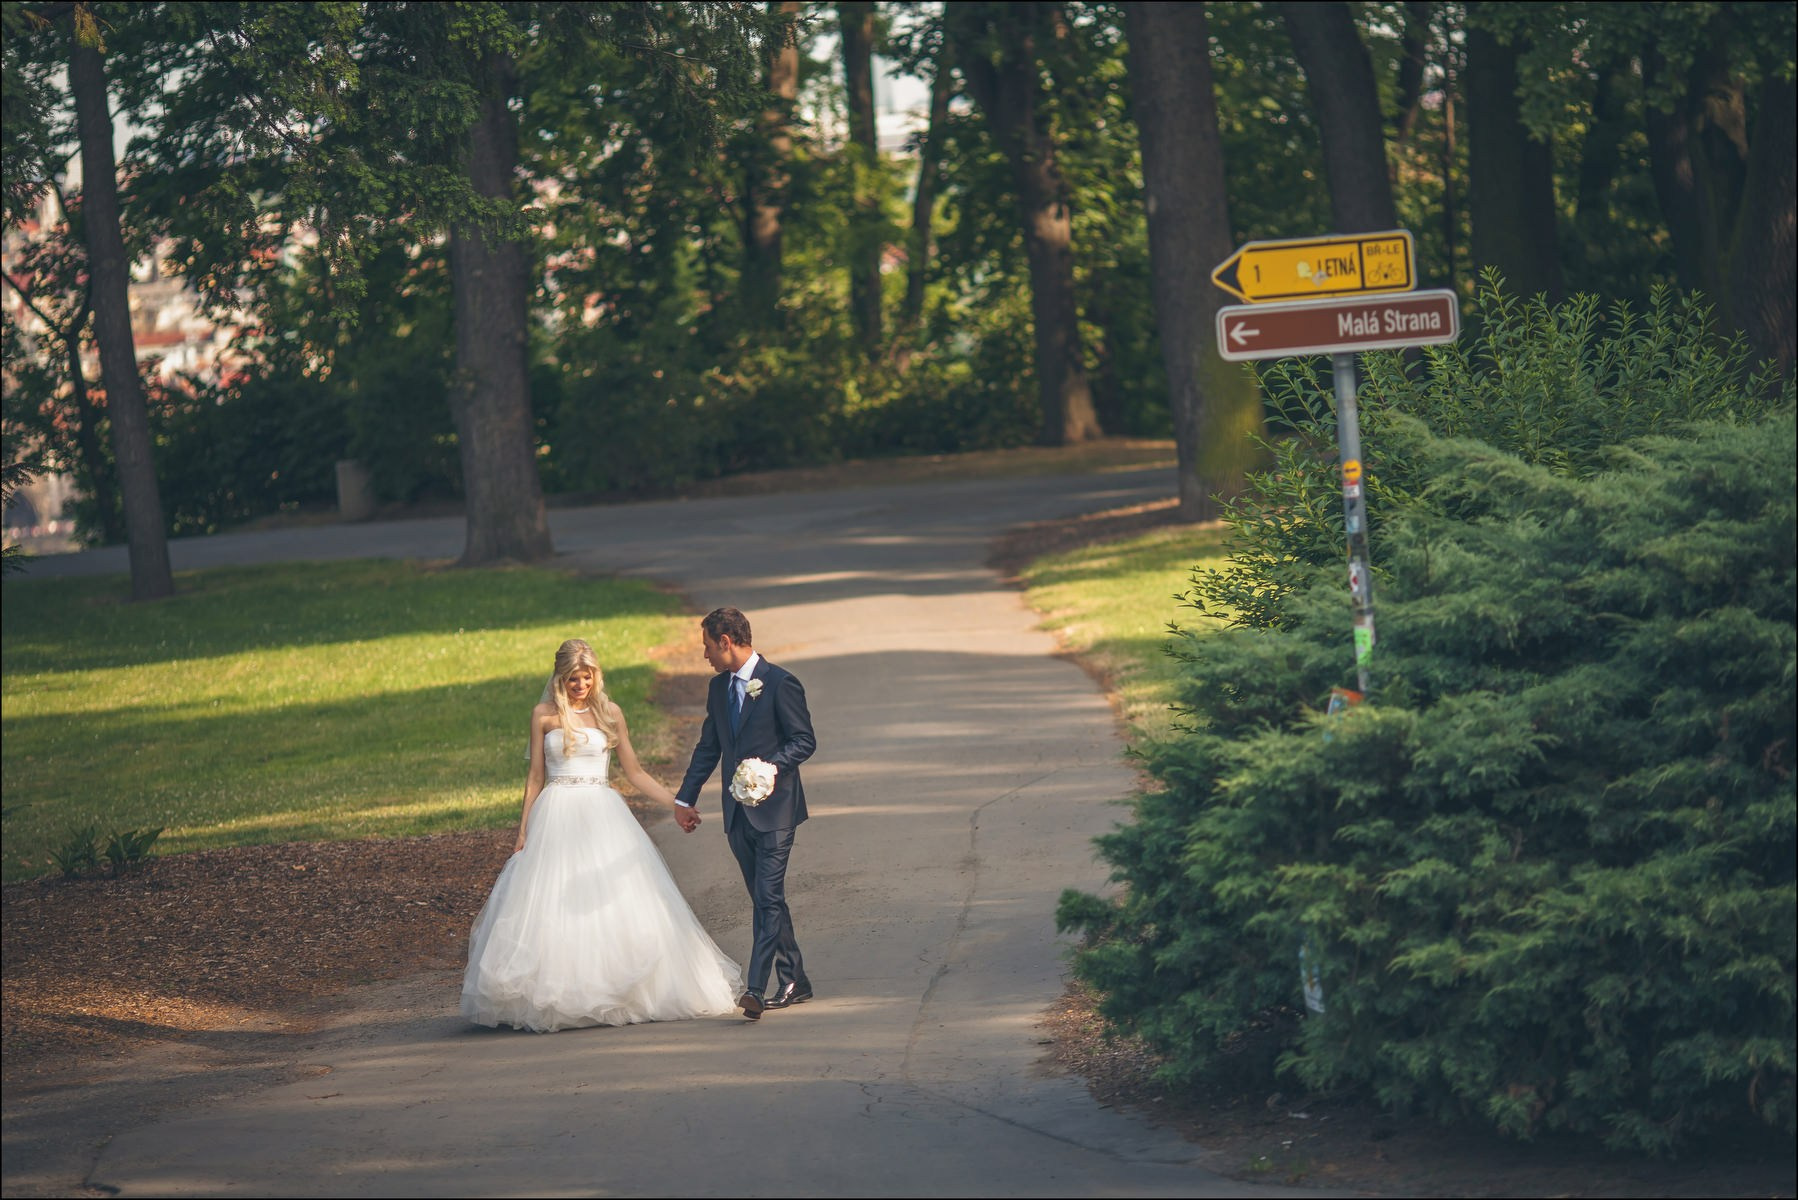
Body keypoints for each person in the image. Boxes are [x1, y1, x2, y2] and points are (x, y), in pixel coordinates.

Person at [461, 638, 742, 1032]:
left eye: (587, 677)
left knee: (611, 901)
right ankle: (559, 991)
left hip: (601, 810)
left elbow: (636, 772)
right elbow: (535, 777)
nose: (580, 685)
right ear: (561, 678)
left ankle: (624, 988)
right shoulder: (543, 716)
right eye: (573, 678)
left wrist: (676, 804)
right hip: (556, 812)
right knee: (552, 899)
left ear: (596, 676)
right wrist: (523, 828)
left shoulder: (610, 713)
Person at [674, 607, 816, 1021]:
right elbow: (708, 748)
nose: (705, 656)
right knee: (764, 898)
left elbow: (804, 740)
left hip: (776, 813)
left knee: (768, 897)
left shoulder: (780, 683)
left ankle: (756, 989)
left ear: (726, 642)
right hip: (737, 815)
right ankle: (796, 979)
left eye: (707, 647)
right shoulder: (719, 689)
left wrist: (771, 766)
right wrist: (685, 798)